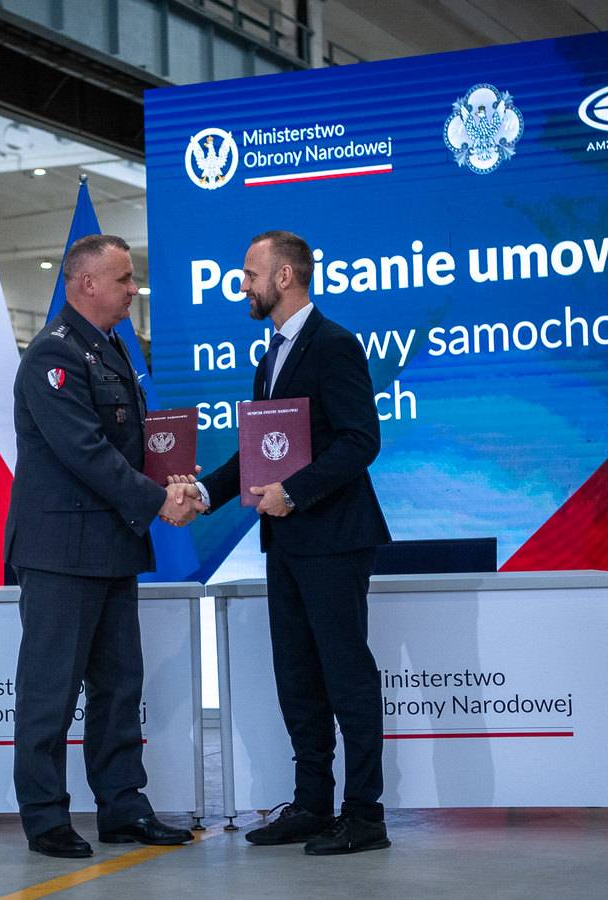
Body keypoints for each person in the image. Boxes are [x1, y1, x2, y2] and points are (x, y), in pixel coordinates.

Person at [182, 229, 393, 855]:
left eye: (250, 274)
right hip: (289, 543)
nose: (242, 285)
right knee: (298, 678)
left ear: (284, 277)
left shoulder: (334, 345)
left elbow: (361, 440)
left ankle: (364, 815)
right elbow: (260, 455)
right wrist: (203, 492)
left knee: (346, 677)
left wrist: (295, 492)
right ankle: (311, 805)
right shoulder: (271, 356)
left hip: (334, 539)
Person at [6, 233, 203, 859]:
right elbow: (86, 452)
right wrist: (158, 500)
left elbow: (127, 444)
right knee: (51, 693)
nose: (133, 289)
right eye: (123, 279)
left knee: (119, 689)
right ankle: (45, 818)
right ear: (86, 283)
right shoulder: (53, 355)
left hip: (110, 545)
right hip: (62, 553)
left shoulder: (111, 347)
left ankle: (123, 808)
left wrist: (172, 481)